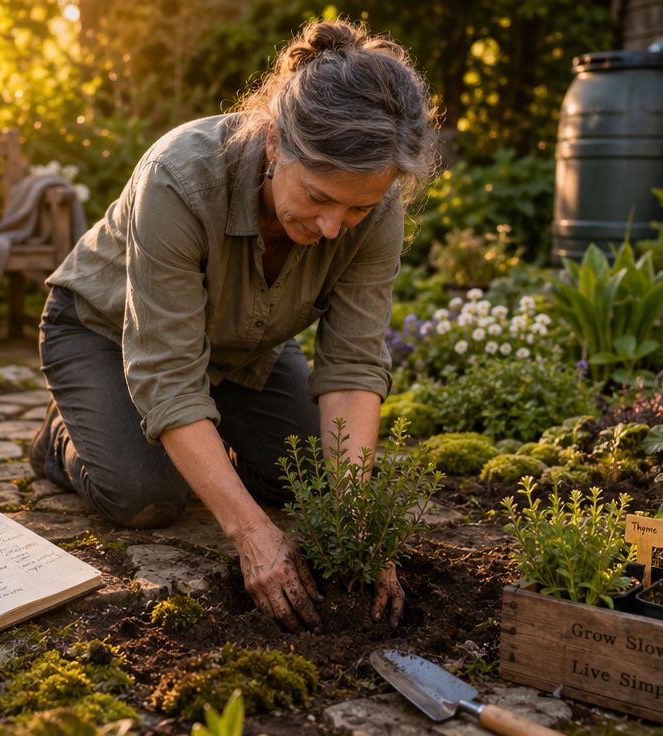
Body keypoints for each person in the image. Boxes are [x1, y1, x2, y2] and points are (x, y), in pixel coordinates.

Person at [30, 18, 439, 631]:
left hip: (238, 350)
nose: (333, 227)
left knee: (299, 484)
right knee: (148, 497)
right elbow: (167, 371)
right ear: (275, 143)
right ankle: (65, 435)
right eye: (320, 197)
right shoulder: (180, 177)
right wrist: (250, 533)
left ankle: (195, 438)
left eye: (355, 207)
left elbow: (352, 366)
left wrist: (357, 527)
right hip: (104, 331)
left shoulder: (375, 210)